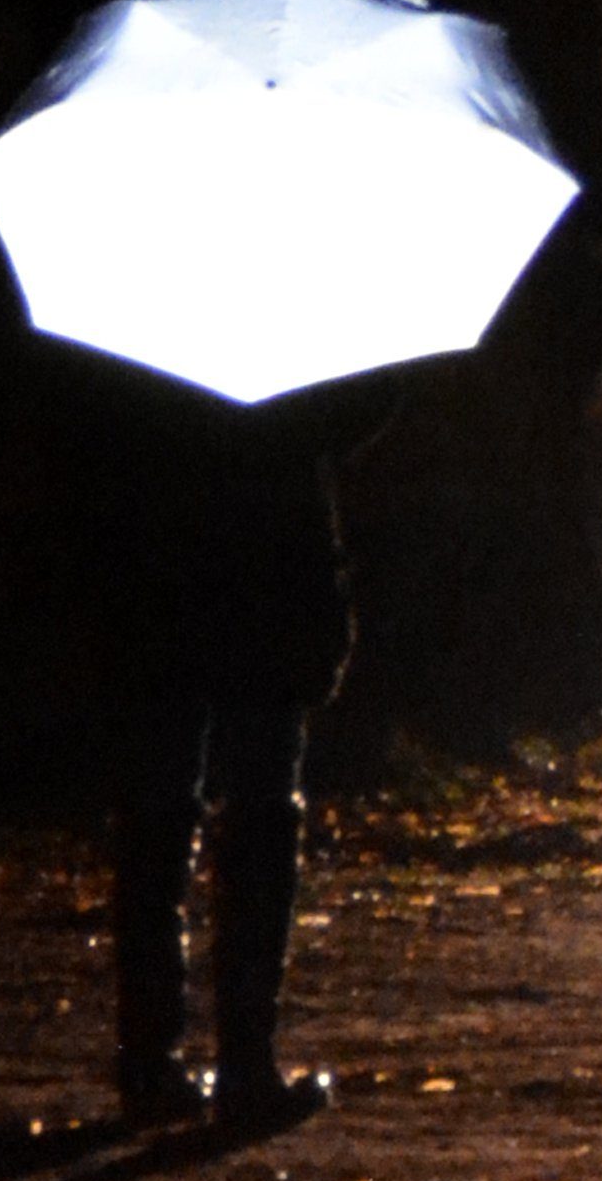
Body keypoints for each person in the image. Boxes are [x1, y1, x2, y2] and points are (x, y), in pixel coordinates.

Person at [39, 345, 381, 1134]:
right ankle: (245, 1064)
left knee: (161, 805)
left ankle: (152, 1060)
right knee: (260, 807)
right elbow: (357, 411)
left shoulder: (137, 316)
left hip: (158, 572)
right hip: (269, 569)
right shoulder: (297, 312)